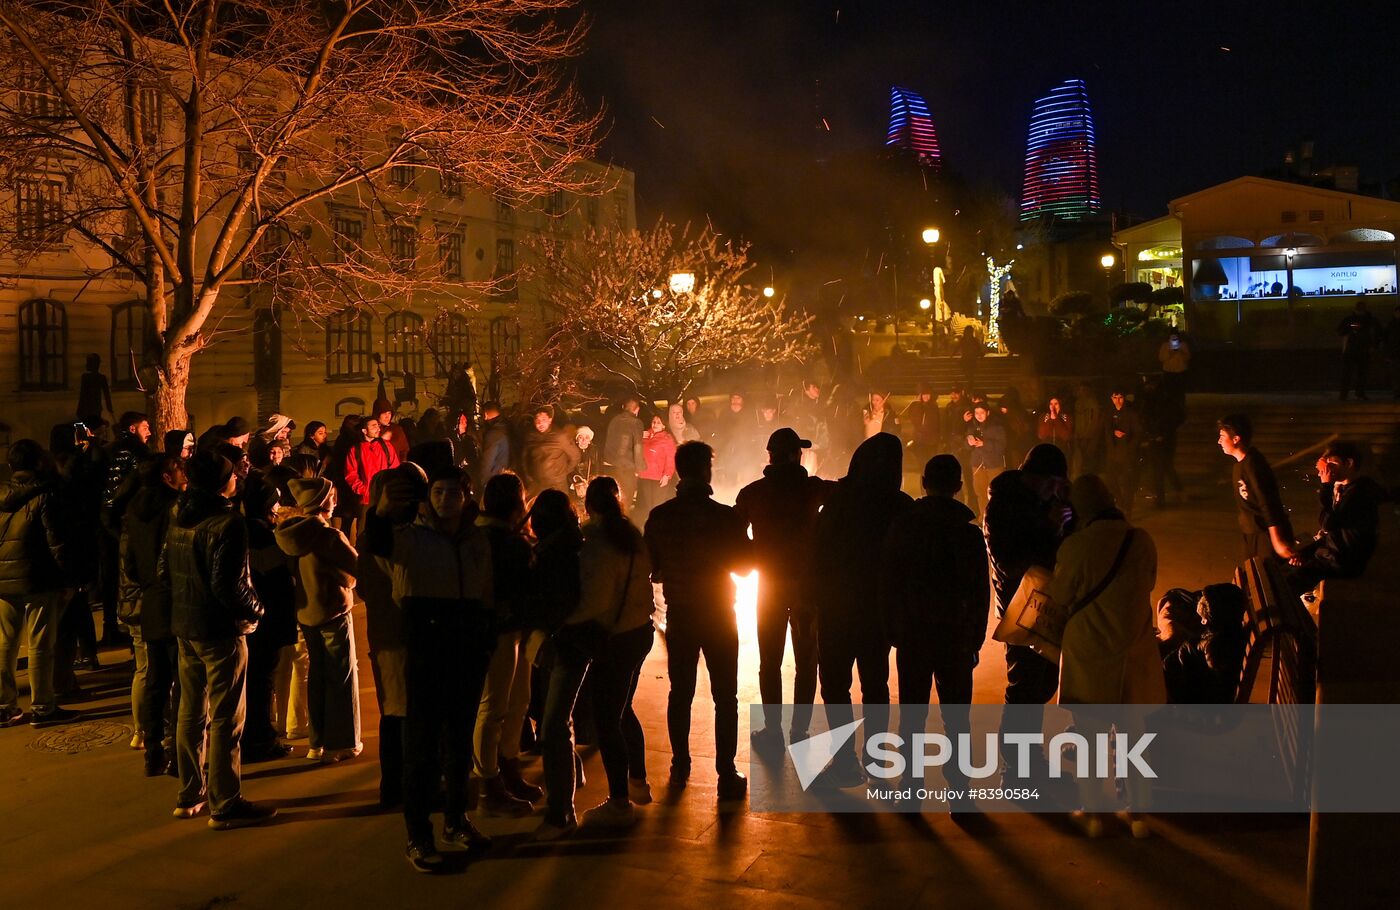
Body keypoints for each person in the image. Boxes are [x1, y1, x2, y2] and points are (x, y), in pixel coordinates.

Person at [366, 463, 494, 873]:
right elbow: (377, 543)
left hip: (466, 645)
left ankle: (456, 821)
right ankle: (418, 835)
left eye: (452, 492)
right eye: (437, 492)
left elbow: (485, 589)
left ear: (466, 496)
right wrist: (381, 510)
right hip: (426, 645)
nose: (444, 499)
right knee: (420, 748)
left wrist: (484, 637)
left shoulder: (476, 539)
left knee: (458, 743)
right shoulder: (410, 538)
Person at [160, 451, 276, 828]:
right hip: (221, 630)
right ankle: (225, 801)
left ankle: (190, 792)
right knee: (227, 715)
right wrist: (258, 610)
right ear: (220, 482)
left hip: (186, 625)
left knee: (191, 712)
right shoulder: (228, 523)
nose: (237, 479)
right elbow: (230, 585)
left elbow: (165, 569)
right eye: (231, 475)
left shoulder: (179, 512)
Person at [538, 477, 657, 838]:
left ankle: (620, 802)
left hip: (616, 639)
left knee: (608, 718)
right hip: (640, 632)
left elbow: (594, 602)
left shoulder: (598, 545)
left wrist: (559, 621)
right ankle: (637, 783)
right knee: (621, 709)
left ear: (588, 505)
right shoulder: (631, 534)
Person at [1053, 474, 1165, 839]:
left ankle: (1093, 811)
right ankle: (1138, 813)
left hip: (1090, 650)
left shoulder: (1077, 546)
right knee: (1135, 736)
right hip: (1134, 649)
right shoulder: (1141, 540)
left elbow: (1060, 595)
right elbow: (1147, 583)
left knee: (1090, 735)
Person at [644, 441, 751, 799]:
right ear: (707, 470)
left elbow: (653, 570)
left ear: (677, 471)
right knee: (726, 696)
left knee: (681, 692)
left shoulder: (660, 517)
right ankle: (726, 771)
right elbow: (745, 566)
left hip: (682, 613)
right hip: (719, 613)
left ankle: (680, 765)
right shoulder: (725, 516)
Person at [883, 454, 989, 800]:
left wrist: (894, 628)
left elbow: (892, 581)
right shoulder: (969, 534)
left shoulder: (904, 526)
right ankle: (960, 789)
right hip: (955, 634)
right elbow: (978, 592)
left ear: (924, 483)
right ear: (959, 487)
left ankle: (911, 786)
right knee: (957, 718)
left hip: (914, 632)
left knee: (912, 715)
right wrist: (974, 637)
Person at [810, 433, 913, 787]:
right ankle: (874, 758)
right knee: (876, 684)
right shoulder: (900, 505)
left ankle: (844, 762)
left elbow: (818, 552)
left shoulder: (840, 501)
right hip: (876, 611)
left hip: (838, 608)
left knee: (836, 686)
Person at [734, 428, 834, 750]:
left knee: (770, 661)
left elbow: (733, 535)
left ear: (770, 457)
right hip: (806, 587)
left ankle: (773, 731)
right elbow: (845, 497)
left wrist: (755, 556)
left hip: (771, 586)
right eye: (799, 451)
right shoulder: (812, 489)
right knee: (807, 662)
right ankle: (799, 731)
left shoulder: (752, 493)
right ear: (793, 455)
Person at [984, 444, 1073, 777]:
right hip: (1021, 609)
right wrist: (1049, 528)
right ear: (1037, 478)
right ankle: (1016, 765)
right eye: (1052, 483)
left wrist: (1067, 508)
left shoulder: (1045, 500)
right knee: (1025, 684)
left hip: (1045, 606)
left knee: (1043, 681)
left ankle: (1028, 756)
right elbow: (1010, 564)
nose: (1055, 491)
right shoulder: (1003, 507)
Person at [276, 477, 361, 763]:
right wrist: (345, 579)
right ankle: (343, 742)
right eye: (331, 496)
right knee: (341, 676)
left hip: (306, 612)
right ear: (323, 503)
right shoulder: (328, 536)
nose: (335, 500)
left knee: (316, 678)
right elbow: (354, 567)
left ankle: (317, 742)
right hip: (333, 611)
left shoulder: (290, 535)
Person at [473, 473, 540, 817]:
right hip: (499, 632)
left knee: (515, 703)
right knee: (496, 706)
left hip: (512, 630)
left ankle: (507, 766)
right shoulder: (494, 539)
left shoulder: (490, 536)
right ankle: (489, 782)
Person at [0, 439, 74, 728]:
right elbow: (56, 542)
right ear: (39, 463)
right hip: (38, 577)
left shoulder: (2, 493)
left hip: (4, 580)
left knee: (6, 644)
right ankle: (43, 706)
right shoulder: (46, 494)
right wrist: (68, 578)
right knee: (41, 645)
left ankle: (5, 705)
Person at [119, 455, 185, 771]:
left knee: (156, 679)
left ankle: (153, 748)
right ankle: (176, 749)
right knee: (181, 678)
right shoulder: (175, 507)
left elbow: (129, 562)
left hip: (150, 600)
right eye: (177, 469)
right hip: (175, 598)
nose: (182, 472)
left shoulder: (134, 510)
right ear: (165, 476)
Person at [240, 474, 297, 765]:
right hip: (265, 622)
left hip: (252, 622)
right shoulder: (263, 537)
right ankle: (260, 738)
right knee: (261, 681)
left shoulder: (244, 531)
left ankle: (257, 735)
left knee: (255, 680)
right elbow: (276, 584)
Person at [1286, 442, 1386, 593]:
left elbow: (1328, 524)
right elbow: (1331, 534)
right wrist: (1305, 552)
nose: (1328, 470)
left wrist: (1326, 485)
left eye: (1333, 463)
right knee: (1283, 569)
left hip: (1344, 563)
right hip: (1333, 557)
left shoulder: (1359, 493)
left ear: (1349, 463)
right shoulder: (1345, 490)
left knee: (1288, 584)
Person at [1217, 414, 1295, 562]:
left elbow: (1268, 502)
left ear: (1236, 439)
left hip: (1264, 534)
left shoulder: (1254, 465)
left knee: (1268, 579)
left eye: (1222, 436)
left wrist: (1277, 540)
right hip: (1251, 533)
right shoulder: (1239, 466)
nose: (1219, 441)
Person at [1162, 584, 1248, 704]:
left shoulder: (1217, 649)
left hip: (1173, 690)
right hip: (1173, 674)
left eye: (1204, 601)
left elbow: (1210, 689)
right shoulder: (1221, 630)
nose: (1201, 598)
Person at [521, 406, 582, 498]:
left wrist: (563, 473)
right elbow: (524, 457)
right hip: (536, 484)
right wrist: (528, 476)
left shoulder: (560, 436)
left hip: (556, 484)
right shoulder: (530, 435)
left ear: (550, 420)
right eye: (537, 420)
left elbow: (575, 456)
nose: (540, 423)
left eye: (544, 419)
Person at [345, 417, 400, 513]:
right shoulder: (355, 449)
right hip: (366, 501)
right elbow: (351, 475)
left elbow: (395, 469)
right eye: (374, 426)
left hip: (385, 498)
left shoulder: (386, 446)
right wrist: (365, 492)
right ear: (364, 431)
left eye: (378, 426)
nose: (378, 429)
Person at [1103, 389, 1140, 518]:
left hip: (1126, 453)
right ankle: (1121, 503)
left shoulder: (1131, 414)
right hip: (1112, 453)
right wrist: (1113, 434)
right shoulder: (1108, 414)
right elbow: (1106, 431)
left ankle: (1127, 508)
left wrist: (1129, 446)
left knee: (1127, 481)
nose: (1117, 400)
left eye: (1120, 398)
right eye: (1115, 398)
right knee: (1111, 480)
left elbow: (1137, 433)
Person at [964, 402, 1006, 516]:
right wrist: (969, 442)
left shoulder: (996, 426)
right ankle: (983, 518)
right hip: (977, 465)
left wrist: (984, 443)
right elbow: (967, 446)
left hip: (993, 465)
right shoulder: (972, 426)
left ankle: (996, 518)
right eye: (976, 413)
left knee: (995, 494)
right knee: (980, 493)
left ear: (987, 412)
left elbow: (1001, 446)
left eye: (982, 412)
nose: (979, 415)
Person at [634, 414, 677, 526]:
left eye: (658, 422)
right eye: (654, 422)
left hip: (659, 476)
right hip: (645, 475)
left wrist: (667, 475)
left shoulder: (667, 438)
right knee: (648, 504)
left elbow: (671, 458)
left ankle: (661, 525)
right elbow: (637, 452)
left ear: (663, 425)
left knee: (658, 504)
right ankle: (651, 525)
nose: (655, 424)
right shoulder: (645, 435)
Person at [603, 397, 645, 508]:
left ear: (623, 407)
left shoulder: (614, 420)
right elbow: (637, 446)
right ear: (637, 409)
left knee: (614, 499)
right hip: (626, 467)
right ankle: (623, 522)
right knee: (626, 500)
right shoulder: (636, 423)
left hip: (611, 465)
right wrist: (639, 468)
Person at [1338, 298, 1380, 400]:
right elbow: (1377, 334)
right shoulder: (1370, 320)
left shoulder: (1351, 319)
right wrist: (1374, 346)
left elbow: (1341, 331)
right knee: (1358, 373)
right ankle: (1357, 393)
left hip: (1354, 349)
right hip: (1359, 350)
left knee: (1351, 373)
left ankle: (1346, 394)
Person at [901, 385, 941, 482]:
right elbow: (914, 418)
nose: (926, 397)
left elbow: (937, 423)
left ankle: (931, 485)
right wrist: (918, 403)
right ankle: (924, 489)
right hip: (920, 441)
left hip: (932, 441)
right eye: (924, 394)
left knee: (930, 465)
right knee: (923, 466)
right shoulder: (917, 406)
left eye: (927, 394)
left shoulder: (934, 407)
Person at [1071, 382, 1104, 478]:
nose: (1081, 392)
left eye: (1084, 389)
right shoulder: (1077, 403)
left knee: (1089, 460)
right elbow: (1077, 420)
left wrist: (1088, 436)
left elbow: (1093, 421)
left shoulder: (1092, 403)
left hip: (1089, 437)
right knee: (1079, 461)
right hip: (1079, 437)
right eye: (1080, 390)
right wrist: (1076, 435)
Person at [76, 353, 113, 423]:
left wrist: (79, 409)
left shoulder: (85, 377)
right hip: (95, 408)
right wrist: (109, 407)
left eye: (89, 362)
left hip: (86, 408)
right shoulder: (101, 378)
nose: (86, 364)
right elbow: (106, 394)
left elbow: (82, 395)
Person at [958, 325, 984, 390]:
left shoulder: (974, 340)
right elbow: (958, 347)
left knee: (970, 372)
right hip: (966, 358)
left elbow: (979, 348)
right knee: (968, 371)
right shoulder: (963, 340)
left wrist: (980, 354)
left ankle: (970, 383)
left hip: (972, 358)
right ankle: (970, 382)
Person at [1384, 304, 1400, 400]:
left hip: (1393, 353)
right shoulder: (1391, 325)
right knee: (1395, 374)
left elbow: (1386, 340)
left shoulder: (1390, 325)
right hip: (1394, 353)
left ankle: (1397, 392)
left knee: (1395, 374)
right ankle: (1397, 391)